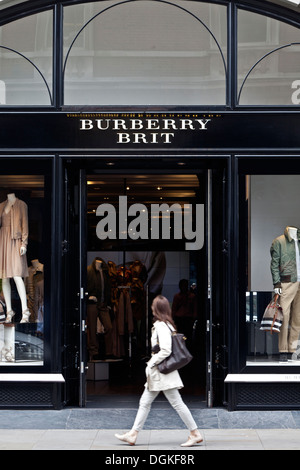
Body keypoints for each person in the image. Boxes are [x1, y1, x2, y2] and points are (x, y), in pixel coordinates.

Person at [114, 295, 203, 447]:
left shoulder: (161, 326)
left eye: (153, 306)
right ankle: (133, 434)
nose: (150, 308)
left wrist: (150, 363)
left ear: (156, 309)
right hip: (160, 372)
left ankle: (195, 433)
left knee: (176, 403)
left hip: (161, 372)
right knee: (145, 402)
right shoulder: (167, 324)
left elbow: (166, 350)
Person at [270, 226, 300, 362]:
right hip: (287, 283)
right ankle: (283, 350)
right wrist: (276, 283)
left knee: (297, 318)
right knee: (284, 316)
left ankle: (293, 349)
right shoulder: (279, 242)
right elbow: (274, 263)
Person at [0, 193, 30, 323]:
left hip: (16, 241)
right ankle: (9, 312)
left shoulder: (21, 204)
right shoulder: (1, 205)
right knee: (4, 277)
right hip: (3, 240)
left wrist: (24, 243)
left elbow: (25, 224)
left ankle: (25, 311)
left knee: (17, 275)